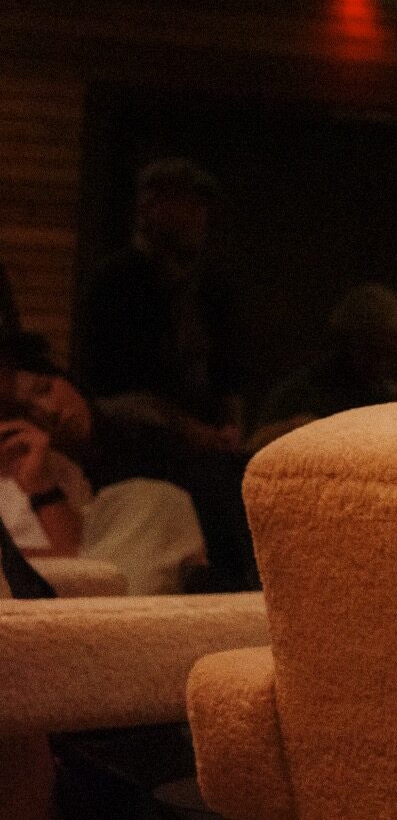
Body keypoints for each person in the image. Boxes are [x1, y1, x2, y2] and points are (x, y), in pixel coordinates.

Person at [74, 157, 256, 588]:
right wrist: (188, 430)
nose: (199, 218)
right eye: (188, 205)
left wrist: (231, 426)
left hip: (209, 451)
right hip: (140, 450)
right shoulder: (115, 283)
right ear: (151, 206)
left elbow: (231, 374)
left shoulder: (212, 287)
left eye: (202, 208)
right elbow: (113, 390)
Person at [0, 331, 206, 595]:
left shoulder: (138, 428)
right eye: (24, 411)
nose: (48, 411)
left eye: (45, 388)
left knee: (157, 500)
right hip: (66, 601)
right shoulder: (32, 465)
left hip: (106, 587)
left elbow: (81, 565)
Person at [254, 284, 397, 436]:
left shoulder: (388, 396)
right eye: (373, 351)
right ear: (348, 343)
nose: (382, 363)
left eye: (391, 354)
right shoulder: (301, 396)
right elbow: (257, 445)